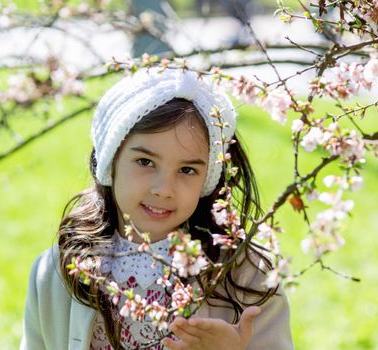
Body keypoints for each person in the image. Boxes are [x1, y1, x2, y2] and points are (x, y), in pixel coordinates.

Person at [20, 69, 294, 350]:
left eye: (187, 169)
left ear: (207, 179)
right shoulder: (58, 270)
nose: (164, 188)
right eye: (145, 162)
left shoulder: (247, 274)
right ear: (110, 160)